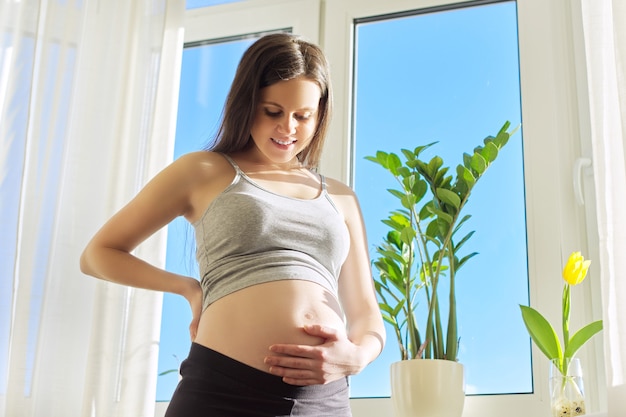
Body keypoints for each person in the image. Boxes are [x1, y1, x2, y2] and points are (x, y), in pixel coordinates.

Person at [80, 33, 385, 417]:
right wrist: (189, 288)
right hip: (222, 391)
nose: (287, 128)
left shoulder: (341, 197)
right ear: (247, 104)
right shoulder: (204, 171)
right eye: (272, 111)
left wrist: (356, 357)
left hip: (322, 401)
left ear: (320, 115)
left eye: (303, 116)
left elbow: (366, 314)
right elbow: (97, 254)